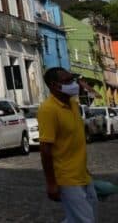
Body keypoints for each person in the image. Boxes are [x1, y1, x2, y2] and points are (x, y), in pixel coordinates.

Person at [38, 67, 97, 222]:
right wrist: (51, 183)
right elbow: (45, 149)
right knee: (86, 220)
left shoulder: (73, 104)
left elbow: (74, 142)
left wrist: (85, 170)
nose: (73, 84)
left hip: (82, 174)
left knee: (76, 219)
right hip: (66, 178)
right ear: (54, 85)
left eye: (72, 79)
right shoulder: (48, 109)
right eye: (67, 81)